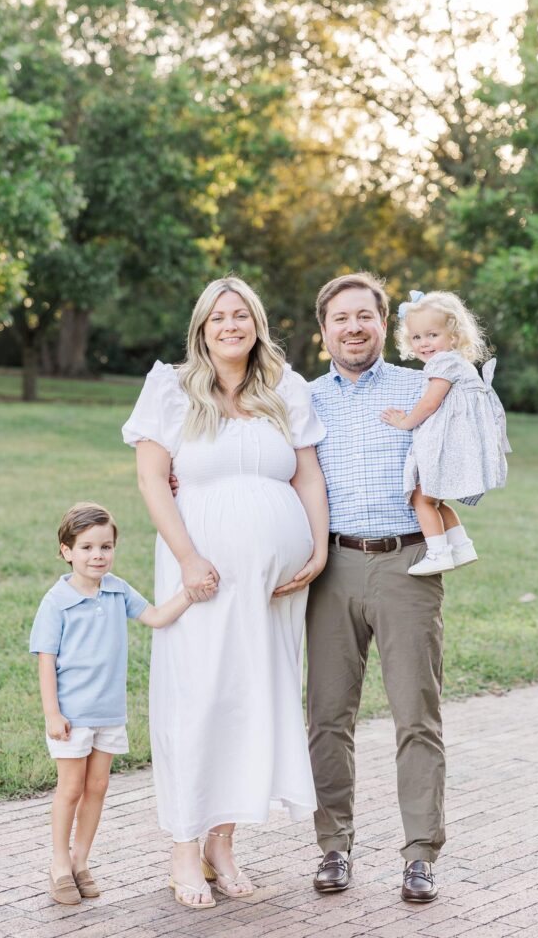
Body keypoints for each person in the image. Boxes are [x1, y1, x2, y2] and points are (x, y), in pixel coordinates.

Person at [122, 277, 329, 910]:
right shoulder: (170, 388)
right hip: (201, 578)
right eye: (218, 317)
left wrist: (317, 551)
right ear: (202, 328)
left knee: (249, 699)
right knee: (199, 698)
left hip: (274, 590)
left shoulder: (285, 388)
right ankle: (184, 846)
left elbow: (308, 476)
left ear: (257, 324)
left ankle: (223, 842)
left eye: (241, 315)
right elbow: (152, 480)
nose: (230, 325)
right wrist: (189, 559)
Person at [306, 272, 446, 903]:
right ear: (324, 330)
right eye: (341, 318)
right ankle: (333, 846)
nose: (353, 327)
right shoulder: (303, 398)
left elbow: (469, 455)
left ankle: (420, 854)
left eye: (364, 315)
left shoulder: (423, 387)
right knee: (327, 716)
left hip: (406, 564)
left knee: (416, 714)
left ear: (383, 324)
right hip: (330, 567)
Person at [29, 502, 214, 906]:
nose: (97, 555)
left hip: (109, 713)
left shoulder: (117, 590)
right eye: (87, 548)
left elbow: (156, 617)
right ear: (66, 551)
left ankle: (81, 861)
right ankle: (59, 864)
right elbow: (46, 660)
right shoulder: (56, 601)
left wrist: (190, 593)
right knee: (70, 788)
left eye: (106, 547)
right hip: (71, 716)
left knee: (97, 787)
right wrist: (52, 713)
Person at [381, 289, 511, 576]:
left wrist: (405, 422)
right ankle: (461, 546)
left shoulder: (443, 363)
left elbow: (430, 402)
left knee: (420, 498)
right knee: (435, 500)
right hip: (459, 441)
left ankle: (438, 553)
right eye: (417, 337)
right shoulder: (457, 362)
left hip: (447, 442)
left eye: (432, 335)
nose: (424, 343)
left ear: (453, 336)